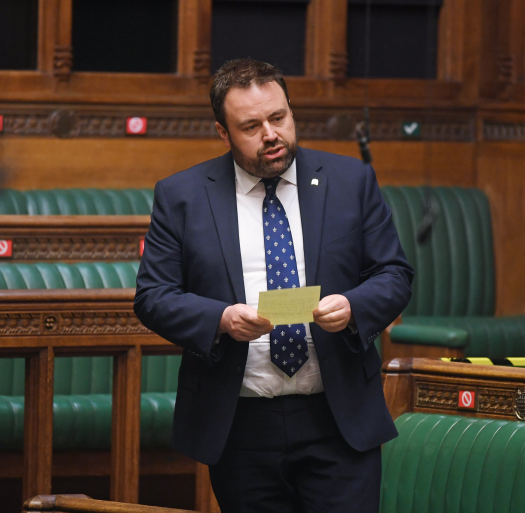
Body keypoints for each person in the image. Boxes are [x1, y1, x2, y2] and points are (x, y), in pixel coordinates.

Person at [134, 58, 413, 513]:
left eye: (279, 118)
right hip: (241, 422)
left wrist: (353, 306)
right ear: (223, 133)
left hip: (337, 416)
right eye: (251, 126)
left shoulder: (350, 182)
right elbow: (153, 296)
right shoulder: (182, 195)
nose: (271, 135)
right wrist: (220, 319)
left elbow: (394, 274)